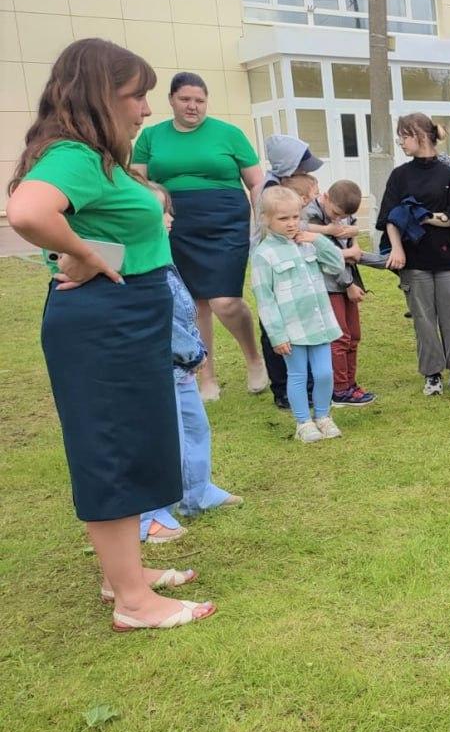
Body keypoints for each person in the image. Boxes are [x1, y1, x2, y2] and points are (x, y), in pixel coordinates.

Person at [7, 38, 214, 630]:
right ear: (97, 95)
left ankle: (123, 575)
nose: (146, 109)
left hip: (125, 312)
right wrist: (84, 253)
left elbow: (88, 223)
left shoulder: (92, 156)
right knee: (113, 449)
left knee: (135, 441)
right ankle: (133, 602)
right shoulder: (73, 154)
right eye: (135, 95)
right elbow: (27, 213)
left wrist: (90, 249)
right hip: (106, 320)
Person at [131, 71, 267, 402]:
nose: (193, 106)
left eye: (200, 101)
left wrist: (262, 221)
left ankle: (254, 359)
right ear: (172, 101)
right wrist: (156, 211)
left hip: (225, 222)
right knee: (194, 304)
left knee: (225, 300)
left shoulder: (229, 134)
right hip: (176, 224)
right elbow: (137, 182)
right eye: (185, 99)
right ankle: (206, 376)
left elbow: (256, 181)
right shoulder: (151, 136)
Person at [150, 183, 243, 524]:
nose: (171, 217)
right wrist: (193, 352)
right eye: (163, 211)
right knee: (165, 440)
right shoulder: (142, 264)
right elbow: (160, 316)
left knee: (195, 428)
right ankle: (152, 513)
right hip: (163, 368)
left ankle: (197, 491)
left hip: (182, 368)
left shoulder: (163, 254)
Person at [378, 113, 450, 396]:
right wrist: (397, 247)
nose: (400, 143)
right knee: (423, 318)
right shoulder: (400, 176)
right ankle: (432, 374)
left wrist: (423, 217)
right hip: (414, 260)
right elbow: (391, 218)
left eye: (403, 136)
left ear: (420, 135)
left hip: (447, 259)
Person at [251, 186, 345, 442]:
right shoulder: (264, 254)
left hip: (319, 322)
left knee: (325, 373)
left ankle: (324, 416)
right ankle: (303, 422)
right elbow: (265, 299)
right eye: (283, 218)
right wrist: (277, 334)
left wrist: (319, 240)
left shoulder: (308, 244)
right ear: (266, 220)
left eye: (295, 216)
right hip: (291, 329)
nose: (291, 223)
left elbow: (337, 265)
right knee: (298, 375)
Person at [259, 135, 328, 409]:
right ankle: (283, 388)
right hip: (274, 263)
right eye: (302, 168)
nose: (307, 174)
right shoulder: (269, 192)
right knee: (274, 324)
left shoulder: (290, 190)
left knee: (301, 320)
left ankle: (306, 383)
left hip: (296, 259)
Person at [303, 179, 379, 407]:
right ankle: (339, 389)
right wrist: (348, 283)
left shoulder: (344, 215)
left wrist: (353, 237)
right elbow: (327, 257)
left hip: (347, 281)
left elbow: (350, 244)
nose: (338, 219)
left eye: (342, 216)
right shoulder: (309, 215)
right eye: (335, 213)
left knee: (354, 335)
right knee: (340, 336)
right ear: (325, 197)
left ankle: (350, 383)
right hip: (330, 284)